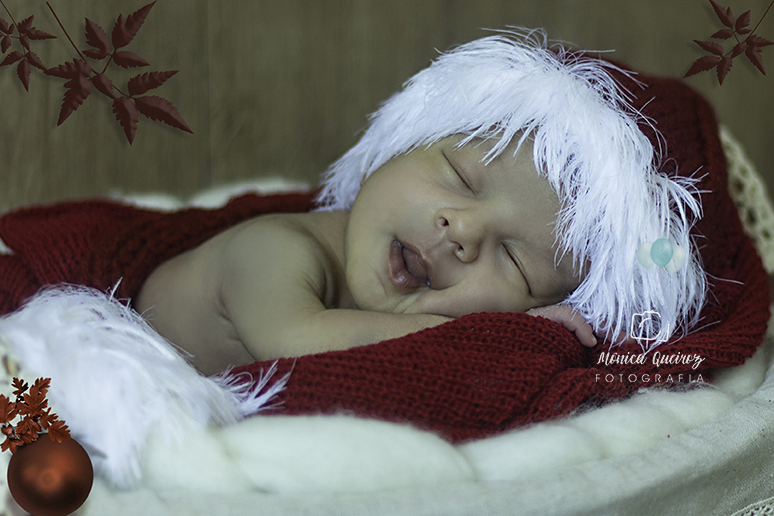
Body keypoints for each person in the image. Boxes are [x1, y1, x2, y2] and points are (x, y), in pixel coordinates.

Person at [134, 29, 707, 376]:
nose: (462, 230)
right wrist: (493, 337)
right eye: (460, 177)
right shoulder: (274, 250)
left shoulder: (393, 316)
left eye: (516, 262)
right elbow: (295, 344)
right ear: (391, 150)